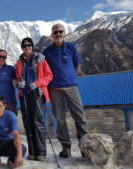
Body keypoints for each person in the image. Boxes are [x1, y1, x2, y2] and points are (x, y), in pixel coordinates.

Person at [43, 23, 88, 158]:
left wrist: (73, 74)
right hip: (55, 88)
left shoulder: (71, 47)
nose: (58, 34)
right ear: (52, 35)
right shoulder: (47, 52)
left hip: (71, 86)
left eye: (60, 32)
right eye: (55, 32)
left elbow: (77, 63)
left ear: (64, 33)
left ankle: (85, 147)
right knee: (60, 119)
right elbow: (43, 69)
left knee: (80, 116)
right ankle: (66, 147)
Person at [15, 37, 53, 161]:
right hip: (24, 95)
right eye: (25, 46)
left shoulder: (40, 59)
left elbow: (49, 76)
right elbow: (16, 79)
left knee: (38, 122)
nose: (27, 48)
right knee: (28, 122)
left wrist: (38, 83)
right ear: (22, 48)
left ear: (32, 46)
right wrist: (17, 84)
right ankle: (32, 151)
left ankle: (41, 152)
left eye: (29, 46)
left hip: (37, 93)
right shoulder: (19, 62)